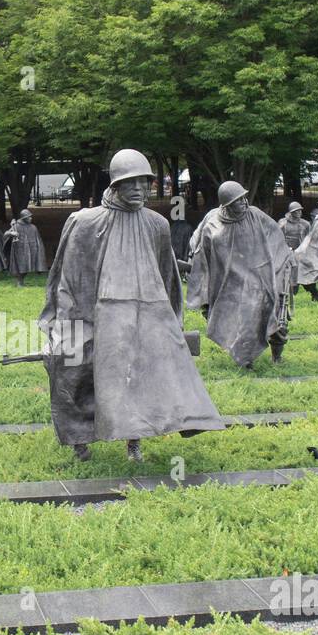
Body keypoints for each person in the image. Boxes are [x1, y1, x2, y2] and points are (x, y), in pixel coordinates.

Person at [39, 148, 223, 463]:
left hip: (143, 314)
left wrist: (171, 323)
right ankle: (80, 439)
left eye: (144, 183)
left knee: (137, 378)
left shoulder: (156, 225)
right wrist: (65, 325)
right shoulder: (85, 222)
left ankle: (133, 441)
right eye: (131, 183)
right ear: (115, 185)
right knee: (75, 372)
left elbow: (168, 277)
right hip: (90, 312)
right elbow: (69, 277)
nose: (139, 189)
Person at [187, 181, 293, 368]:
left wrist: (284, 259)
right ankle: (246, 359)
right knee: (241, 322)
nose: (244, 202)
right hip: (230, 285)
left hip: (261, 278)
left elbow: (276, 237)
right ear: (227, 205)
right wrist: (205, 294)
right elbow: (203, 257)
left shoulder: (256, 215)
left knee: (274, 316)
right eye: (238, 200)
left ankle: (277, 356)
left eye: (244, 198)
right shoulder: (213, 226)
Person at [3, 208, 48, 286]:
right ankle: (19, 281)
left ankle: (21, 281)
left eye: (31, 216)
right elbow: (5, 235)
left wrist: (38, 249)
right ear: (24, 218)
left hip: (31, 249)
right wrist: (11, 233)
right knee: (21, 266)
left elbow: (38, 239)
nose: (31, 218)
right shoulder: (16, 226)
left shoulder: (33, 227)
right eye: (29, 217)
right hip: (19, 249)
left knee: (27, 266)